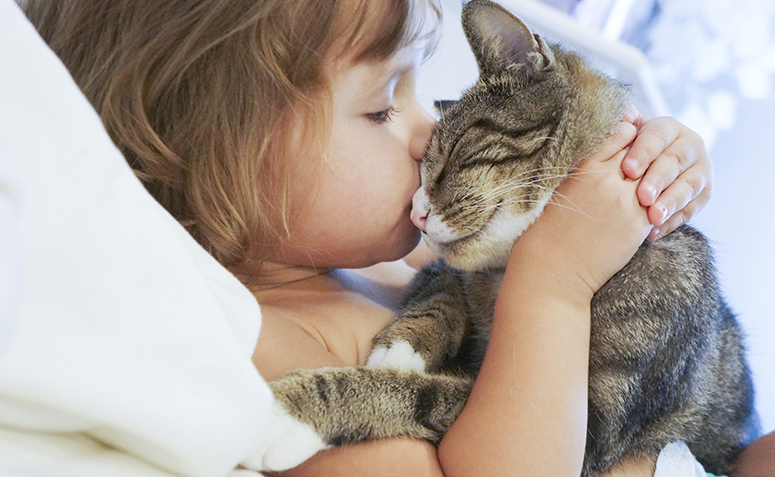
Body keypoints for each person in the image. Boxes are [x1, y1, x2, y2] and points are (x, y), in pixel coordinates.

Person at [17, 0, 773, 476]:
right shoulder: (276, 341)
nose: (429, 132)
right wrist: (553, 285)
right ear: (225, 150)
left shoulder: (394, 256)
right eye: (383, 108)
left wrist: (657, 161)